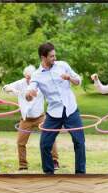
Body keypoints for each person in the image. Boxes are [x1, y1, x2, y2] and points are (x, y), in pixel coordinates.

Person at [25, 42, 86, 174]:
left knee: (79, 142)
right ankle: (48, 173)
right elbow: (30, 93)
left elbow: (78, 81)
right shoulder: (36, 75)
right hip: (54, 113)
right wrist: (29, 95)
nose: (54, 58)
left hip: (70, 109)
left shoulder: (62, 65)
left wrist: (69, 78)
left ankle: (80, 174)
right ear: (43, 57)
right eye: (51, 56)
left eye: (55, 55)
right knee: (45, 144)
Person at [2, 65, 60, 171]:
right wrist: (13, 90)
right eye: (27, 77)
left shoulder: (40, 84)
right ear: (25, 76)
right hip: (26, 119)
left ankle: (54, 161)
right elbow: (5, 88)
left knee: (50, 137)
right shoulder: (20, 83)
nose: (29, 79)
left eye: (31, 77)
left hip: (40, 117)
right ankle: (23, 165)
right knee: (20, 142)